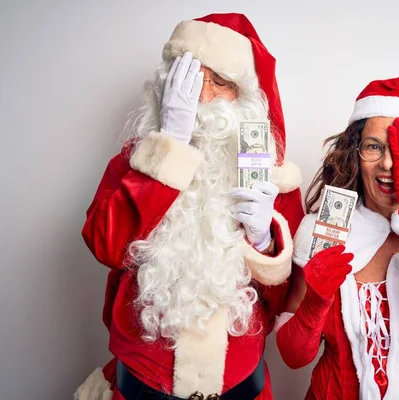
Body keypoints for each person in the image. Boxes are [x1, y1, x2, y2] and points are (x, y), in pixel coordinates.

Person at [74, 13, 304, 400]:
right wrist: (171, 149)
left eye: (222, 83)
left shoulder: (272, 179)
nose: (206, 96)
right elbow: (104, 245)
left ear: (244, 98)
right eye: (194, 78)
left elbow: (288, 301)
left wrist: (265, 242)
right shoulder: (136, 162)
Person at [276, 75, 399, 399]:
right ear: (354, 153)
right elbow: (293, 357)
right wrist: (315, 302)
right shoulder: (325, 228)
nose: (387, 163)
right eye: (374, 146)